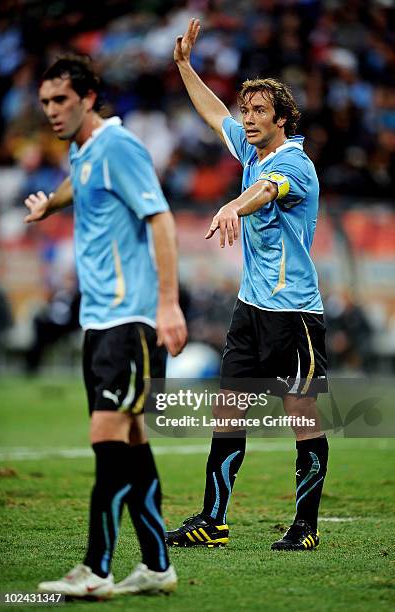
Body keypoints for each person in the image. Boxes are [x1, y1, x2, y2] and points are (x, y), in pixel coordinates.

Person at [24, 54, 187, 597]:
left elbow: (160, 218)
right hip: (99, 319)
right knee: (132, 439)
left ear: (89, 97)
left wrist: (168, 304)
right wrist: (52, 205)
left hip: (131, 318)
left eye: (61, 100)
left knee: (106, 434)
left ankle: (96, 570)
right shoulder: (84, 151)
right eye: (45, 102)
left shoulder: (119, 146)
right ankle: (158, 566)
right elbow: (79, 182)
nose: (51, 111)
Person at [166, 19, 329, 552]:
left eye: (260, 111)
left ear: (283, 119)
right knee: (228, 410)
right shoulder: (250, 146)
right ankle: (214, 520)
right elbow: (215, 114)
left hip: (294, 312)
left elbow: (266, 190)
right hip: (250, 308)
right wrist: (186, 67)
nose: (248, 118)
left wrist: (232, 204)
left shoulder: (295, 165)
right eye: (247, 110)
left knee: (301, 416)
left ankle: (305, 527)